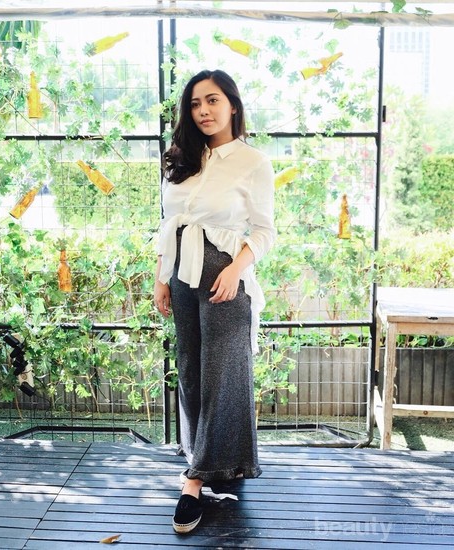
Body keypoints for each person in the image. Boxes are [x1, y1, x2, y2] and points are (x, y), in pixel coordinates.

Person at [154, 69, 276, 534]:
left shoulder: (252, 162)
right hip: (181, 274)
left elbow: (264, 231)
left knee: (223, 374)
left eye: (212, 100)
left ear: (233, 105)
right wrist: (162, 278)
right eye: (195, 103)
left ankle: (194, 480)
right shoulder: (182, 157)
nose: (203, 110)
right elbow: (169, 225)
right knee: (190, 369)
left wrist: (235, 269)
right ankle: (213, 459)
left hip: (223, 275)